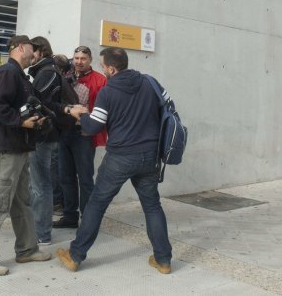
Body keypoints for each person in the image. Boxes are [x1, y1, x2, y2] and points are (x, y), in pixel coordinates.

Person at [56, 47, 173, 274]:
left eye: (102, 66)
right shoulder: (150, 82)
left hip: (120, 157)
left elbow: (93, 127)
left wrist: (79, 113)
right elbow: (168, 107)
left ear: (111, 68)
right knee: (152, 205)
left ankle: (75, 255)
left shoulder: (108, 92)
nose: (102, 70)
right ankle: (164, 260)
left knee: (97, 204)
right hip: (150, 155)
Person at [0, 35, 52, 276]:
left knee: (22, 202)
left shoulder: (21, 76)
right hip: (5, 151)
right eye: (32, 49)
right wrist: (21, 122)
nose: (35, 53)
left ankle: (27, 249)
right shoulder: (7, 73)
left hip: (19, 149)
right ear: (20, 48)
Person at [53, 45, 107, 229]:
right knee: (66, 177)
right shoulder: (64, 77)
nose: (78, 62)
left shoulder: (100, 80)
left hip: (84, 135)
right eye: (76, 58)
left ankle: (88, 218)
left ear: (90, 59)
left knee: (85, 178)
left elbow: (103, 109)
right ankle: (70, 216)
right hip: (64, 133)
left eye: (83, 58)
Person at [27, 37, 72, 246]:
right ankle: (39, 229)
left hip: (44, 135)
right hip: (48, 135)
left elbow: (41, 104)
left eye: (32, 51)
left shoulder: (46, 73)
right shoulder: (47, 71)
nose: (29, 54)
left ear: (41, 51)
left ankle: (42, 234)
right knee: (41, 183)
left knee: (41, 185)